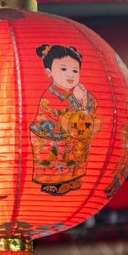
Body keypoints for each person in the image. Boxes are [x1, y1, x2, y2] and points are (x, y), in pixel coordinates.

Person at [29, 44, 100, 195]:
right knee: (55, 157)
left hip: (72, 137)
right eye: (63, 69)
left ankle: (72, 179)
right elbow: (55, 114)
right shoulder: (51, 95)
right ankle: (53, 183)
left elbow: (91, 108)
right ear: (49, 72)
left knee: (75, 156)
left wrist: (84, 100)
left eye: (75, 71)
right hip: (52, 136)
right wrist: (75, 98)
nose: (70, 75)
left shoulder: (76, 92)